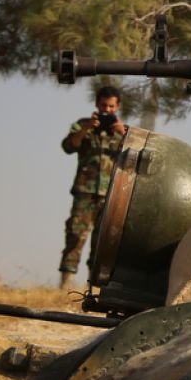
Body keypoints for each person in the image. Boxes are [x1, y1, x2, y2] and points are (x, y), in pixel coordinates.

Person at [58, 84, 127, 290]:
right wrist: (88, 127)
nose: (107, 110)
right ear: (97, 104)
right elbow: (69, 146)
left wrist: (123, 134)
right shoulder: (82, 125)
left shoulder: (124, 132)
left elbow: (135, 157)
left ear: (117, 107)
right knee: (75, 235)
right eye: (104, 106)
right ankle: (66, 283)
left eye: (111, 106)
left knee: (103, 243)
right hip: (85, 192)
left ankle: (95, 286)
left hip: (111, 194)